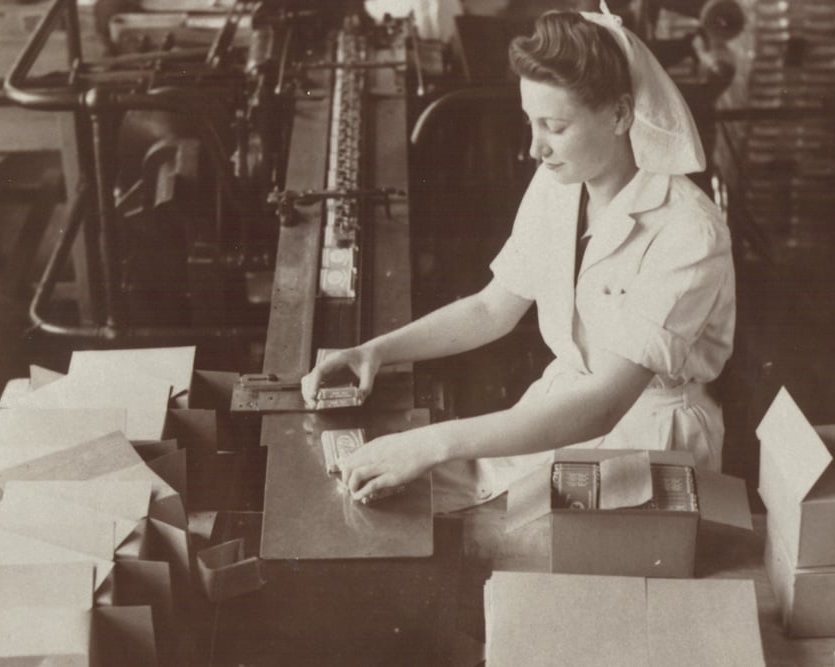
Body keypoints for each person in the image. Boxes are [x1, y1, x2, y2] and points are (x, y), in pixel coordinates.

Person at [302, 6, 736, 511]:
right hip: (558, 410)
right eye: (530, 122)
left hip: (648, 441)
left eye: (554, 126)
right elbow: (493, 307)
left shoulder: (689, 231)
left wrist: (430, 441)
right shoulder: (561, 183)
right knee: (396, 493)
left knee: (516, 552)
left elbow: (603, 406)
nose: (535, 148)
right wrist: (376, 350)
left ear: (620, 114)